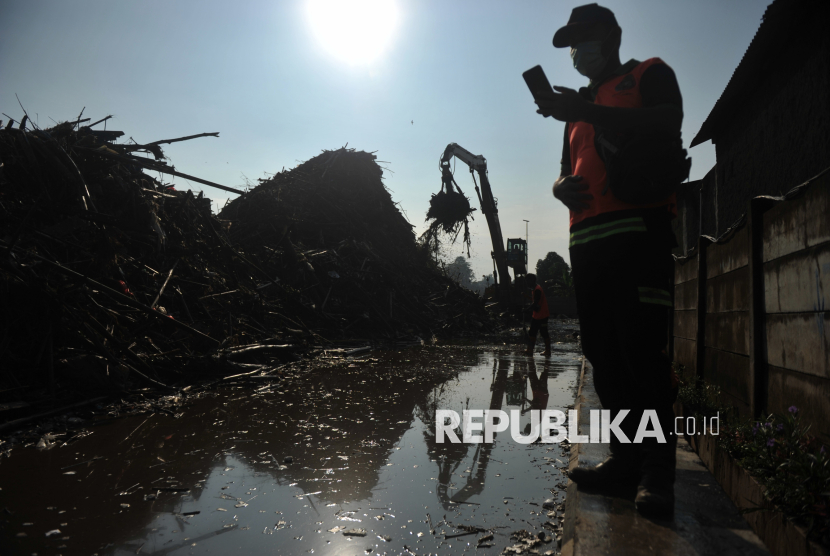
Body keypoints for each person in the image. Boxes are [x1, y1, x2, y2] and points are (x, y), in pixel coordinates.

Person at [535, 3, 682, 517]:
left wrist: (587, 110)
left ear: (611, 35)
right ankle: (624, 462)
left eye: (584, 38)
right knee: (605, 356)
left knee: (643, 353)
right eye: (571, 43)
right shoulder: (575, 112)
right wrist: (559, 188)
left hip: (637, 236)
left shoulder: (650, 74)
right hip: (588, 242)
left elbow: (667, 120)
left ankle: (657, 473)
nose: (578, 50)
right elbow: (563, 170)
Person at [524, 274, 551, 357]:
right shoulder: (535, 290)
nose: (527, 283)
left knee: (544, 333)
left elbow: (535, 303)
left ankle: (547, 351)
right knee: (532, 332)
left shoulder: (538, 290)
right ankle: (530, 350)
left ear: (532, 280)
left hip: (542, 315)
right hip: (537, 315)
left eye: (527, 281)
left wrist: (526, 310)